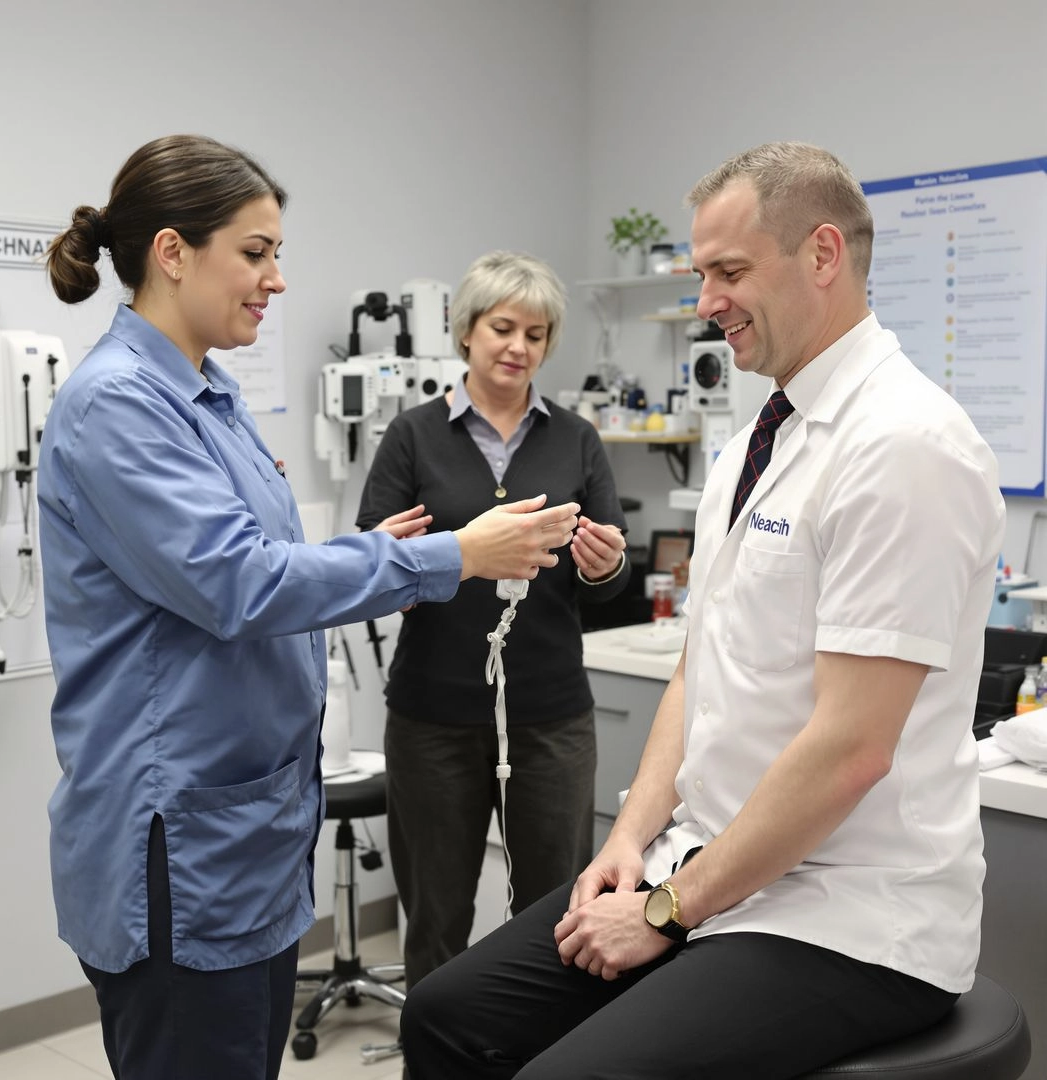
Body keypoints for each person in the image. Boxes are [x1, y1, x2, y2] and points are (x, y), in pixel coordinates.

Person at [399, 142, 1006, 1080]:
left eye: (729, 271)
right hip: (704, 872)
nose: (707, 301)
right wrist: (631, 844)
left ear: (822, 255)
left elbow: (853, 750)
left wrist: (662, 911)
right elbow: (702, 666)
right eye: (700, 274)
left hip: (849, 913)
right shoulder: (755, 444)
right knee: (445, 1015)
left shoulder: (904, 447)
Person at [37, 135, 580, 1080]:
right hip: (180, 840)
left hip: (245, 831)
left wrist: (389, 553)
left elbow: (269, 557)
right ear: (173, 252)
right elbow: (239, 582)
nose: (277, 280)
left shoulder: (207, 394)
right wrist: (452, 556)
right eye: (256, 253)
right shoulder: (118, 406)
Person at [355, 250, 629, 993]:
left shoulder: (575, 439)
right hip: (432, 719)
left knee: (554, 915)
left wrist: (605, 567)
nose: (519, 347)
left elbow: (606, 583)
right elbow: (371, 563)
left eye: (536, 334)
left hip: (550, 717)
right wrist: (403, 568)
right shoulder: (412, 437)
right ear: (467, 331)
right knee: (436, 917)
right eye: (503, 327)